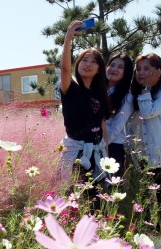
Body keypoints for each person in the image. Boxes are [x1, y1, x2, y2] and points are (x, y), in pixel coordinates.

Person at [127, 53, 161, 233]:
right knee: (143, 193)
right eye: (139, 69)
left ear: (158, 71)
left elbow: (148, 112)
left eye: (147, 69)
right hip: (142, 153)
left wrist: (147, 90)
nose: (141, 73)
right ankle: (146, 232)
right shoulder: (134, 93)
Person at [58, 20, 110, 193]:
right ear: (77, 64)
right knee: (75, 200)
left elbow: (102, 128)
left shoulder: (100, 94)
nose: (88, 64)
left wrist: (106, 157)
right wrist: (68, 39)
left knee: (96, 201)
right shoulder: (70, 89)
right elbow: (64, 70)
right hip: (77, 156)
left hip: (97, 154)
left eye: (93, 61)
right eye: (84, 60)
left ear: (99, 69)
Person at [104, 53, 134, 177]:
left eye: (120, 67)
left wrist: (101, 146)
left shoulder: (127, 97)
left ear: (126, 73)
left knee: (110, 190)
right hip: (92, 145)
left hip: (112, 147)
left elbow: (116, 128)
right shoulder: (98, 91)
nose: (114, 69)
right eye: (112, 65)